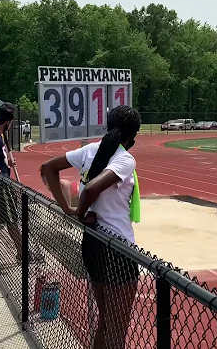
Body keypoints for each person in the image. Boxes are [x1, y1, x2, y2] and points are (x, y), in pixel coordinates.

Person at [40, 105, 141, 349]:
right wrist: (79, 213)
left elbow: (47, 169)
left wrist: (68, 209)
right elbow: (94, 188)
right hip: (119, 250)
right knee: (117, 328)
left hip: (93, 244)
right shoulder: (124, 159)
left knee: (106, 322)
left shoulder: (89, 150)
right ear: (132, 136)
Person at [0, 105, 29, 262]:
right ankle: (22, 252)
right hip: (1, 185)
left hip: (1, 183)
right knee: (12, 219)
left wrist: (7, 160)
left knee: (10, 218)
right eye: (11, 122)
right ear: (7, 122)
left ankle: (21, 250)